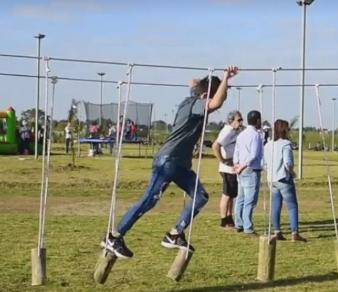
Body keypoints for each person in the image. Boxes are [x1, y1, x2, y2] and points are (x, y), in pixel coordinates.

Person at [101, 66, 239, 258]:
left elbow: (194, 83)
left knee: (201, 196)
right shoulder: (195, 104)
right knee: (148, 201)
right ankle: (114, 236)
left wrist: (212, 81)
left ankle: (174, 234)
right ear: (205, 95)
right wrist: (225, 78)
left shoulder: (193, 96)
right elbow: (215, 103)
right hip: (168, 161)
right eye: (210, 96)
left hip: (180, 165)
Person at [264, 119, 306, 242]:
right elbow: (288, 163)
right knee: (292, 206)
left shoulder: (267, 145)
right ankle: (295, 233)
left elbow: (264, 163)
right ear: (284, 130)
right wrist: (292, 173)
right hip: (283, 178)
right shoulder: (286, 144)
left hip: (271, 179)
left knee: (276, 205)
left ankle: (277, 231)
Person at [233, 110, 264, 235]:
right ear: (257, 121)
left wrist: (236, 165)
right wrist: (242, 166)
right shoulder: (256, 135)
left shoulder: (241, 135)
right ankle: (248, 226)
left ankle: (238, 223)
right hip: (250, 169)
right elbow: (253, 155)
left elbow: (237, 151)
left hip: (240, 168)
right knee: (250, 200)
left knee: (241, 198)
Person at [212, 110, 243, 229]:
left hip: (233, 167)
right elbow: (216, 146)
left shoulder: (236, 130)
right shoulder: (227, 131)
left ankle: (230, 217)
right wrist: (223, 160)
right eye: (238, 120)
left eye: (241, 120)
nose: (241, 122)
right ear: (231, 121)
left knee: (231, 195)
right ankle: (223, 220)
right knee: (226, 194)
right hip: (227, 168)